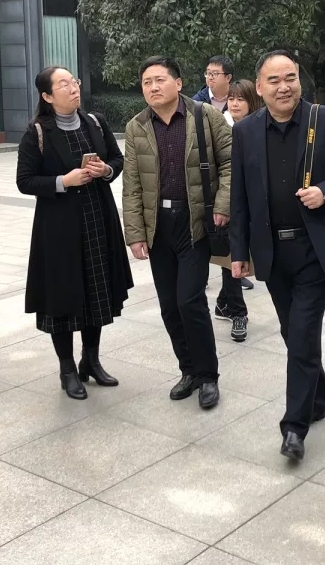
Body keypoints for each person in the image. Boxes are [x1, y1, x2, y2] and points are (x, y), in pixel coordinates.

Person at [229, 50, 325, 461]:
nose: (284, 87)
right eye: (274, 80)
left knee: (301, 334)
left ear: (299, 80)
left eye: (290, 78)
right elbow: (239, 196)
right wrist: (238, 252)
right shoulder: (245, 130)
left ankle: (294, 428)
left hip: (314, 250)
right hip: (271, 252)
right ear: (259, 86)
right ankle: (317, 394)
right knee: (293, 333)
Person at [16, 66, 133, 399]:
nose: (73, 88)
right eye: (64, 84)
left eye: (74, 82)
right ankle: (67, 369)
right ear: (47, 96)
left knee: (97, 292)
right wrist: (62, 181)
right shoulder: (37, 132)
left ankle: (90, 361)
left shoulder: (94, 122)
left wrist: (105, 169)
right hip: (59, 228)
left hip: (98, 218)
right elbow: (25, 181)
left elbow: (117, 159)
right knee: (63, 296)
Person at [122, 56, 232, 410]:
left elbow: (231, 163)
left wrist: (222, 205)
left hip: (194, 221)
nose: (153, 87)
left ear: (179, 83)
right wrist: (135, 233)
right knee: (169, 305)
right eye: (146, 82)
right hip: (158, 227)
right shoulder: (137, 126)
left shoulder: (205, 116)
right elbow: (132, 184)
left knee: (189, 300)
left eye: (160, 80)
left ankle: (208, 375)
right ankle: (188, 370)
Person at [212, 78, 261, 340]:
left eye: (241, 99)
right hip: (230, 203)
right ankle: (238, 312)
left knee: (239, 257)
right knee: (231, 258)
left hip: (256, 204)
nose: (234, 103)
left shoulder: (261, 127)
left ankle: (223, 302)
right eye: (231, 98)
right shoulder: (221, 127)